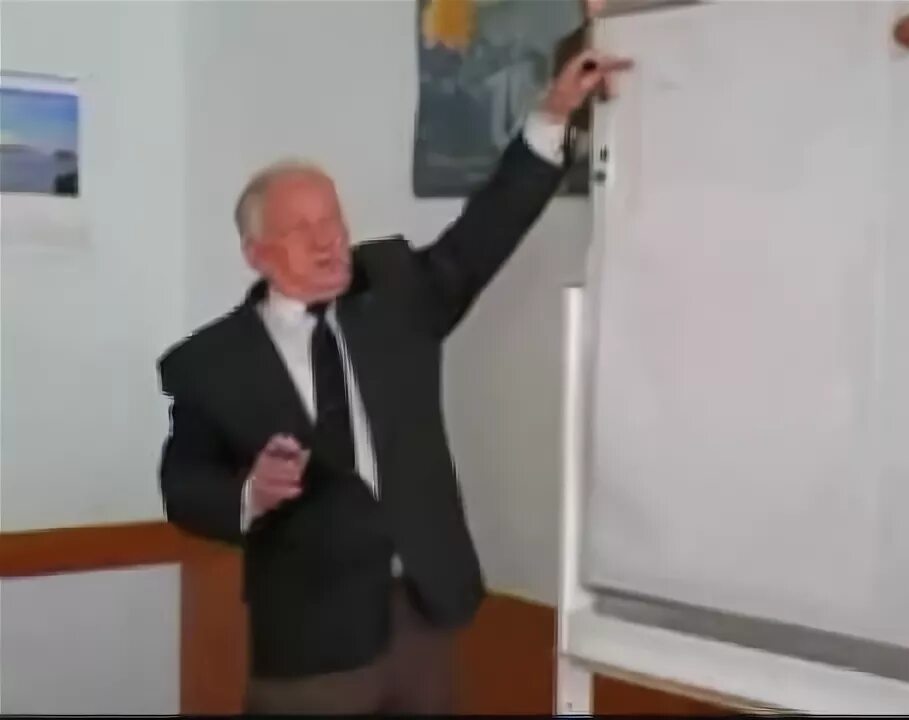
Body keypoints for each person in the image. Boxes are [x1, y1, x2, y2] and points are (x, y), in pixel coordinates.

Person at [157, 49, 630, 715]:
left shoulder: (396, 293)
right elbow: (183, 487)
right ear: (257, 254)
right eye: (301, 230)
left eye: (333, 220)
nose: (328, 241)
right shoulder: (211, 363)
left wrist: (553, 115)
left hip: (423, 617)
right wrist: (249, 494)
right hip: (309, 643)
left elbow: (482, 236)